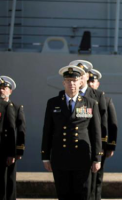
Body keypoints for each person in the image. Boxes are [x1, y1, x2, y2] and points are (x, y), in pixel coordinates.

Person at [41, 65, 102, 200]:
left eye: (74, 81)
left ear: (81, 82)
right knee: (63, 194)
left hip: (82, 156)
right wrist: (45, 156)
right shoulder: (53, 103)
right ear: (63, 83)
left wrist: (97, 158)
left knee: (83, 194)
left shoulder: (90, 103)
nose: (71, 84)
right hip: (60, 156)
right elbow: (47, 130)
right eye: (68, 81)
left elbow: (96, 132)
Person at [0, 76, 26, 200]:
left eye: (4, 88)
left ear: (10, 91)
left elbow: (21, 130)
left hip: (8, 150)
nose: (1, 90)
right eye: (0, 88)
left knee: (9, 182)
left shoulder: (16, 107)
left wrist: (18, 150)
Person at [87, 69, 118, 159]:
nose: (90, 84)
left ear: (98, 84)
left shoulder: (106, 100)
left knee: (97, 172)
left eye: (93, 81)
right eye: (88, 81)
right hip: (82, 141)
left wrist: (111, 145)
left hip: (100, 143)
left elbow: (112, 124)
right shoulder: (78, 99)